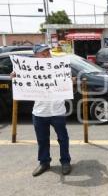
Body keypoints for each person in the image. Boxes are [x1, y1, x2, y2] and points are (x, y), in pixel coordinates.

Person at [11, 44, 72, 176]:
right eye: (43, 54)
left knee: (63, 138)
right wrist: (15, 77)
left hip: (58, 111)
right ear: (35, 56)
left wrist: (71, 80)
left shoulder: (57, 67)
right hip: (39, 112)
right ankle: (44, 162)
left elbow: (68, 80)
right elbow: (20, 83)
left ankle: (65, 161)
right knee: (42, 139)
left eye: (48, 53)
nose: (47, 56)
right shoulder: (28, 70)